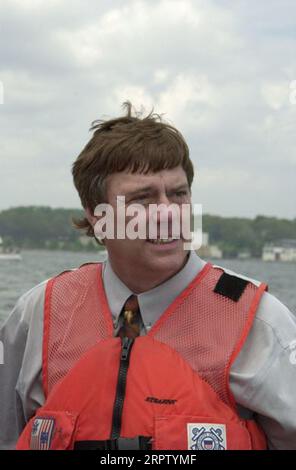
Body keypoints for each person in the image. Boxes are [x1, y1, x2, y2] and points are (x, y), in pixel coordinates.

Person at [1, 102, 296, 450]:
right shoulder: (38, 314)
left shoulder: (260, 322)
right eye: (143, 199)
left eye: (178, 194)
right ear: (97, 217)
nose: (168, 214)